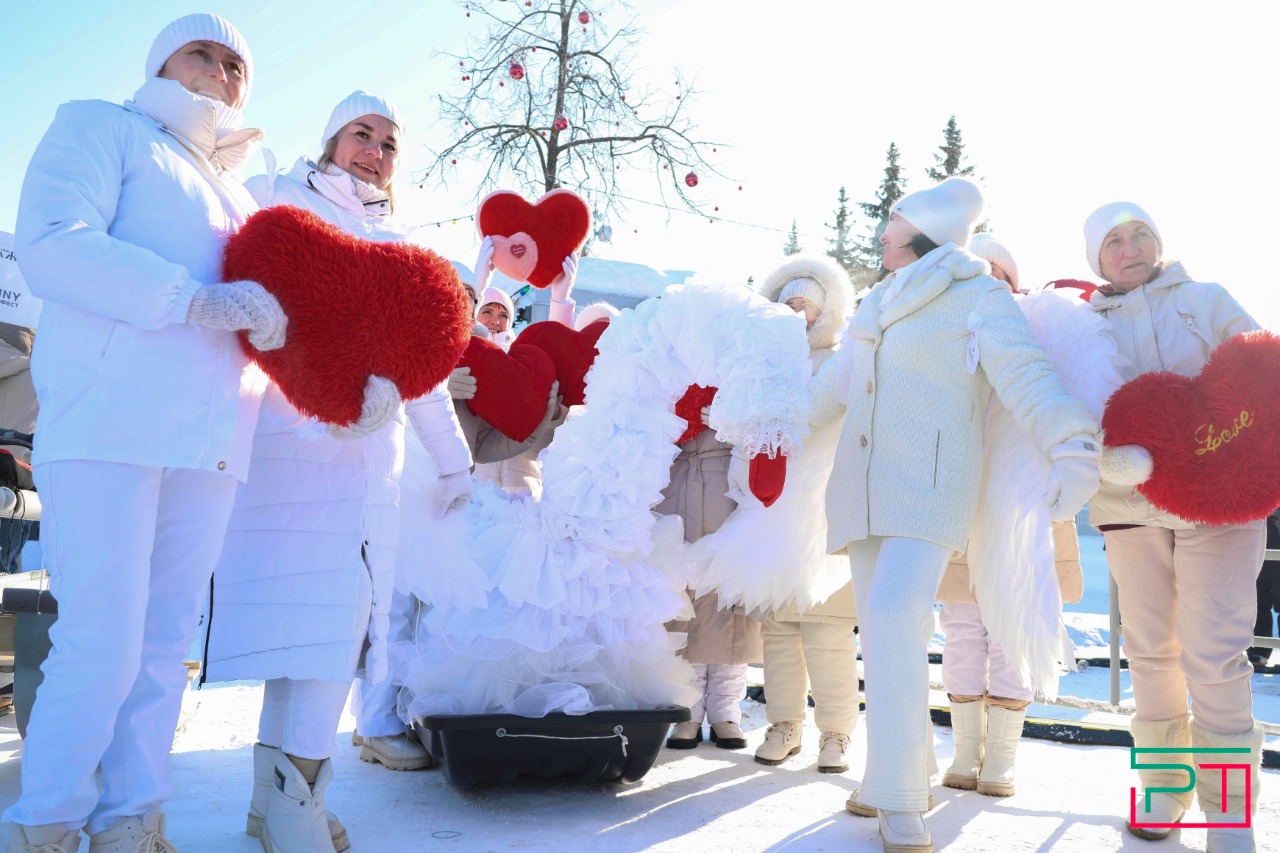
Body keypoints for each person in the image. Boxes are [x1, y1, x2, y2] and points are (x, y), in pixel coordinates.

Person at [3, 14, 285, 852]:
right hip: (107, 423)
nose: (222, 70)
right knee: (102, 637)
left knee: (165, 647)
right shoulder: (100, 125)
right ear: (162, 61)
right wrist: (187, 298)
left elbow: (268, 321)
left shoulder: (243, 197)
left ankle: (132, 817)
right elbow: (54, 244)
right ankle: (46, 820)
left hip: (211, 438)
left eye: (238, 62)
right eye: (204, 50)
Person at [200, 91, 472, 853]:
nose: (375, 151)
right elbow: (237, 300)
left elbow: (423, 367)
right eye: (362, 134)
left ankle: (279, 803)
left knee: (328, 634)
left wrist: (453, 461)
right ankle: (297, 807)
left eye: (389, 142)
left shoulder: (400, 243)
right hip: (288, 455)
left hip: (366, 472)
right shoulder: (277, 204)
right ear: (330, 139)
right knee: (312, 635)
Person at [808, 178, 1101, 853]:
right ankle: (889, 774)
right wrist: (764, 426)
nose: (881, 231)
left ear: (926, 228)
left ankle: (906, 796)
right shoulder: (878, 302)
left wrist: (1070, 442)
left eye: (892, 219)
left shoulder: (978, 296)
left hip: (932, 487)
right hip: (865, 489)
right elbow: (833, 390)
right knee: (881, 630)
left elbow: (1027, 375)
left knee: (894, 613)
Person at [1084, 202, 1266, 852]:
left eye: (1140, 235)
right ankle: (1162, 786)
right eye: (1112, 240)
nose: (1129, 248)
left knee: (1215, 654)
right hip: (1127, 506)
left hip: (1219, 503)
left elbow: (1261, 380)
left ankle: (1229, 812)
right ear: (1095, 257)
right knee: (1152, 653)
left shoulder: (1206, 299)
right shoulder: (1083, 327)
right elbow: (1072, 408)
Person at [688, 256, 859, 771]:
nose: (799, 314)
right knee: (780, 629)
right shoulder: (761, 367)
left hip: (824, 506)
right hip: (770, 508)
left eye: (809, 304)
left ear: (827, 309)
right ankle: (785, 724)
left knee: (827, 629)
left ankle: (836, 732)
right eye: (789, 304)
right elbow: (745, 437)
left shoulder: (842, 360)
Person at [934, 234, 1085, 797]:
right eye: (978, 272)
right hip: (962, 507)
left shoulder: (1040, 337)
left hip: (1025, 512)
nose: (988, 282)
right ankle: (966, 750)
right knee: (962, 632)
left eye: (998, 273)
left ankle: (1000, 756)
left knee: (1014, 629)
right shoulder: (949, 337)